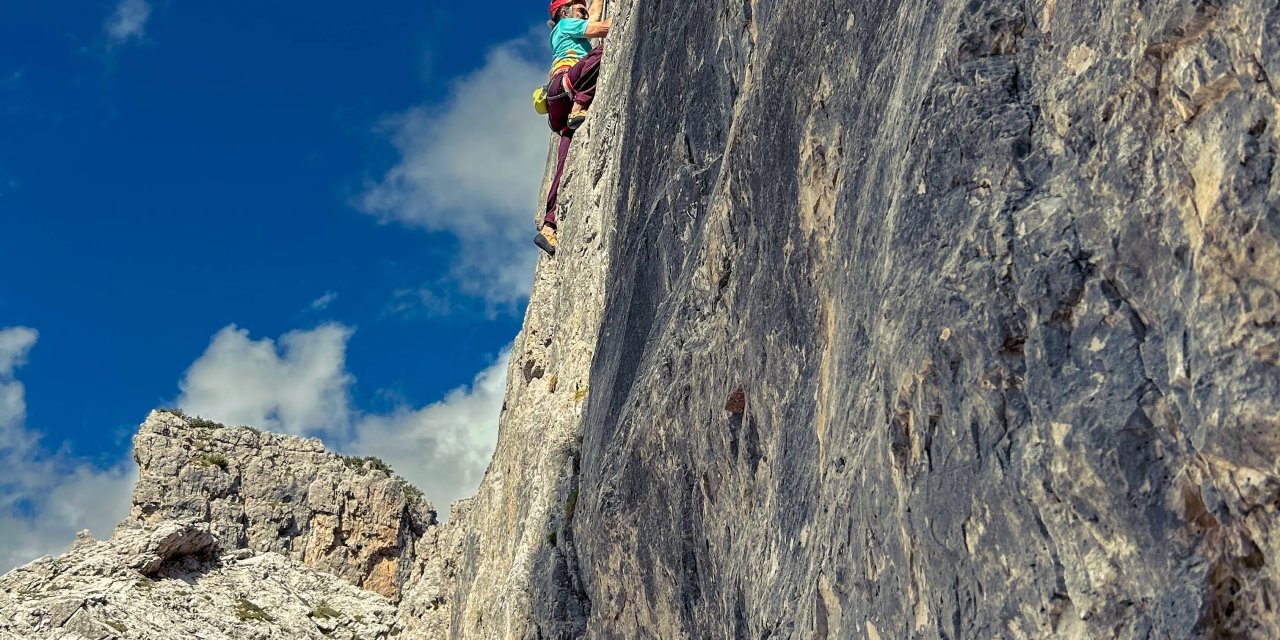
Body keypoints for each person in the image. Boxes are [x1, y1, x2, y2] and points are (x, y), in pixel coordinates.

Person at [535, 0, 610, 256]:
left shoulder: (570, 25)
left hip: (558, 108)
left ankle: (549, 226)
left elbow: (594, 16)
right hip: (565, 87)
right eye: (579, 9)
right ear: (564, 12)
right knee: (603, 53)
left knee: (562, 163)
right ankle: (580, 104)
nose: (584, 12)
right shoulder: (566, 25)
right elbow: (602, 28)